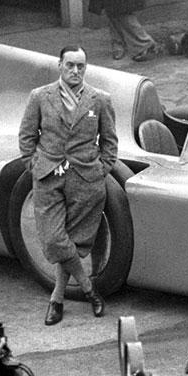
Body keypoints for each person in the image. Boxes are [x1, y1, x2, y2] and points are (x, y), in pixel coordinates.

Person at [19, 45, 117, 324]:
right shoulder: (40, 96)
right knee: (53, 239)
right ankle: (90, 290)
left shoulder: (99, 100)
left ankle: (57, 300)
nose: (75, 71)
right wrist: (35, 166)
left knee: (75, 241)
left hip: (86, 181)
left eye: (81, 66)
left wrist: (101, 170)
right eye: (70, 65)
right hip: (49, 177)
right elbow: (26, 137)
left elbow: (110, 142)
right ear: (59, 65)